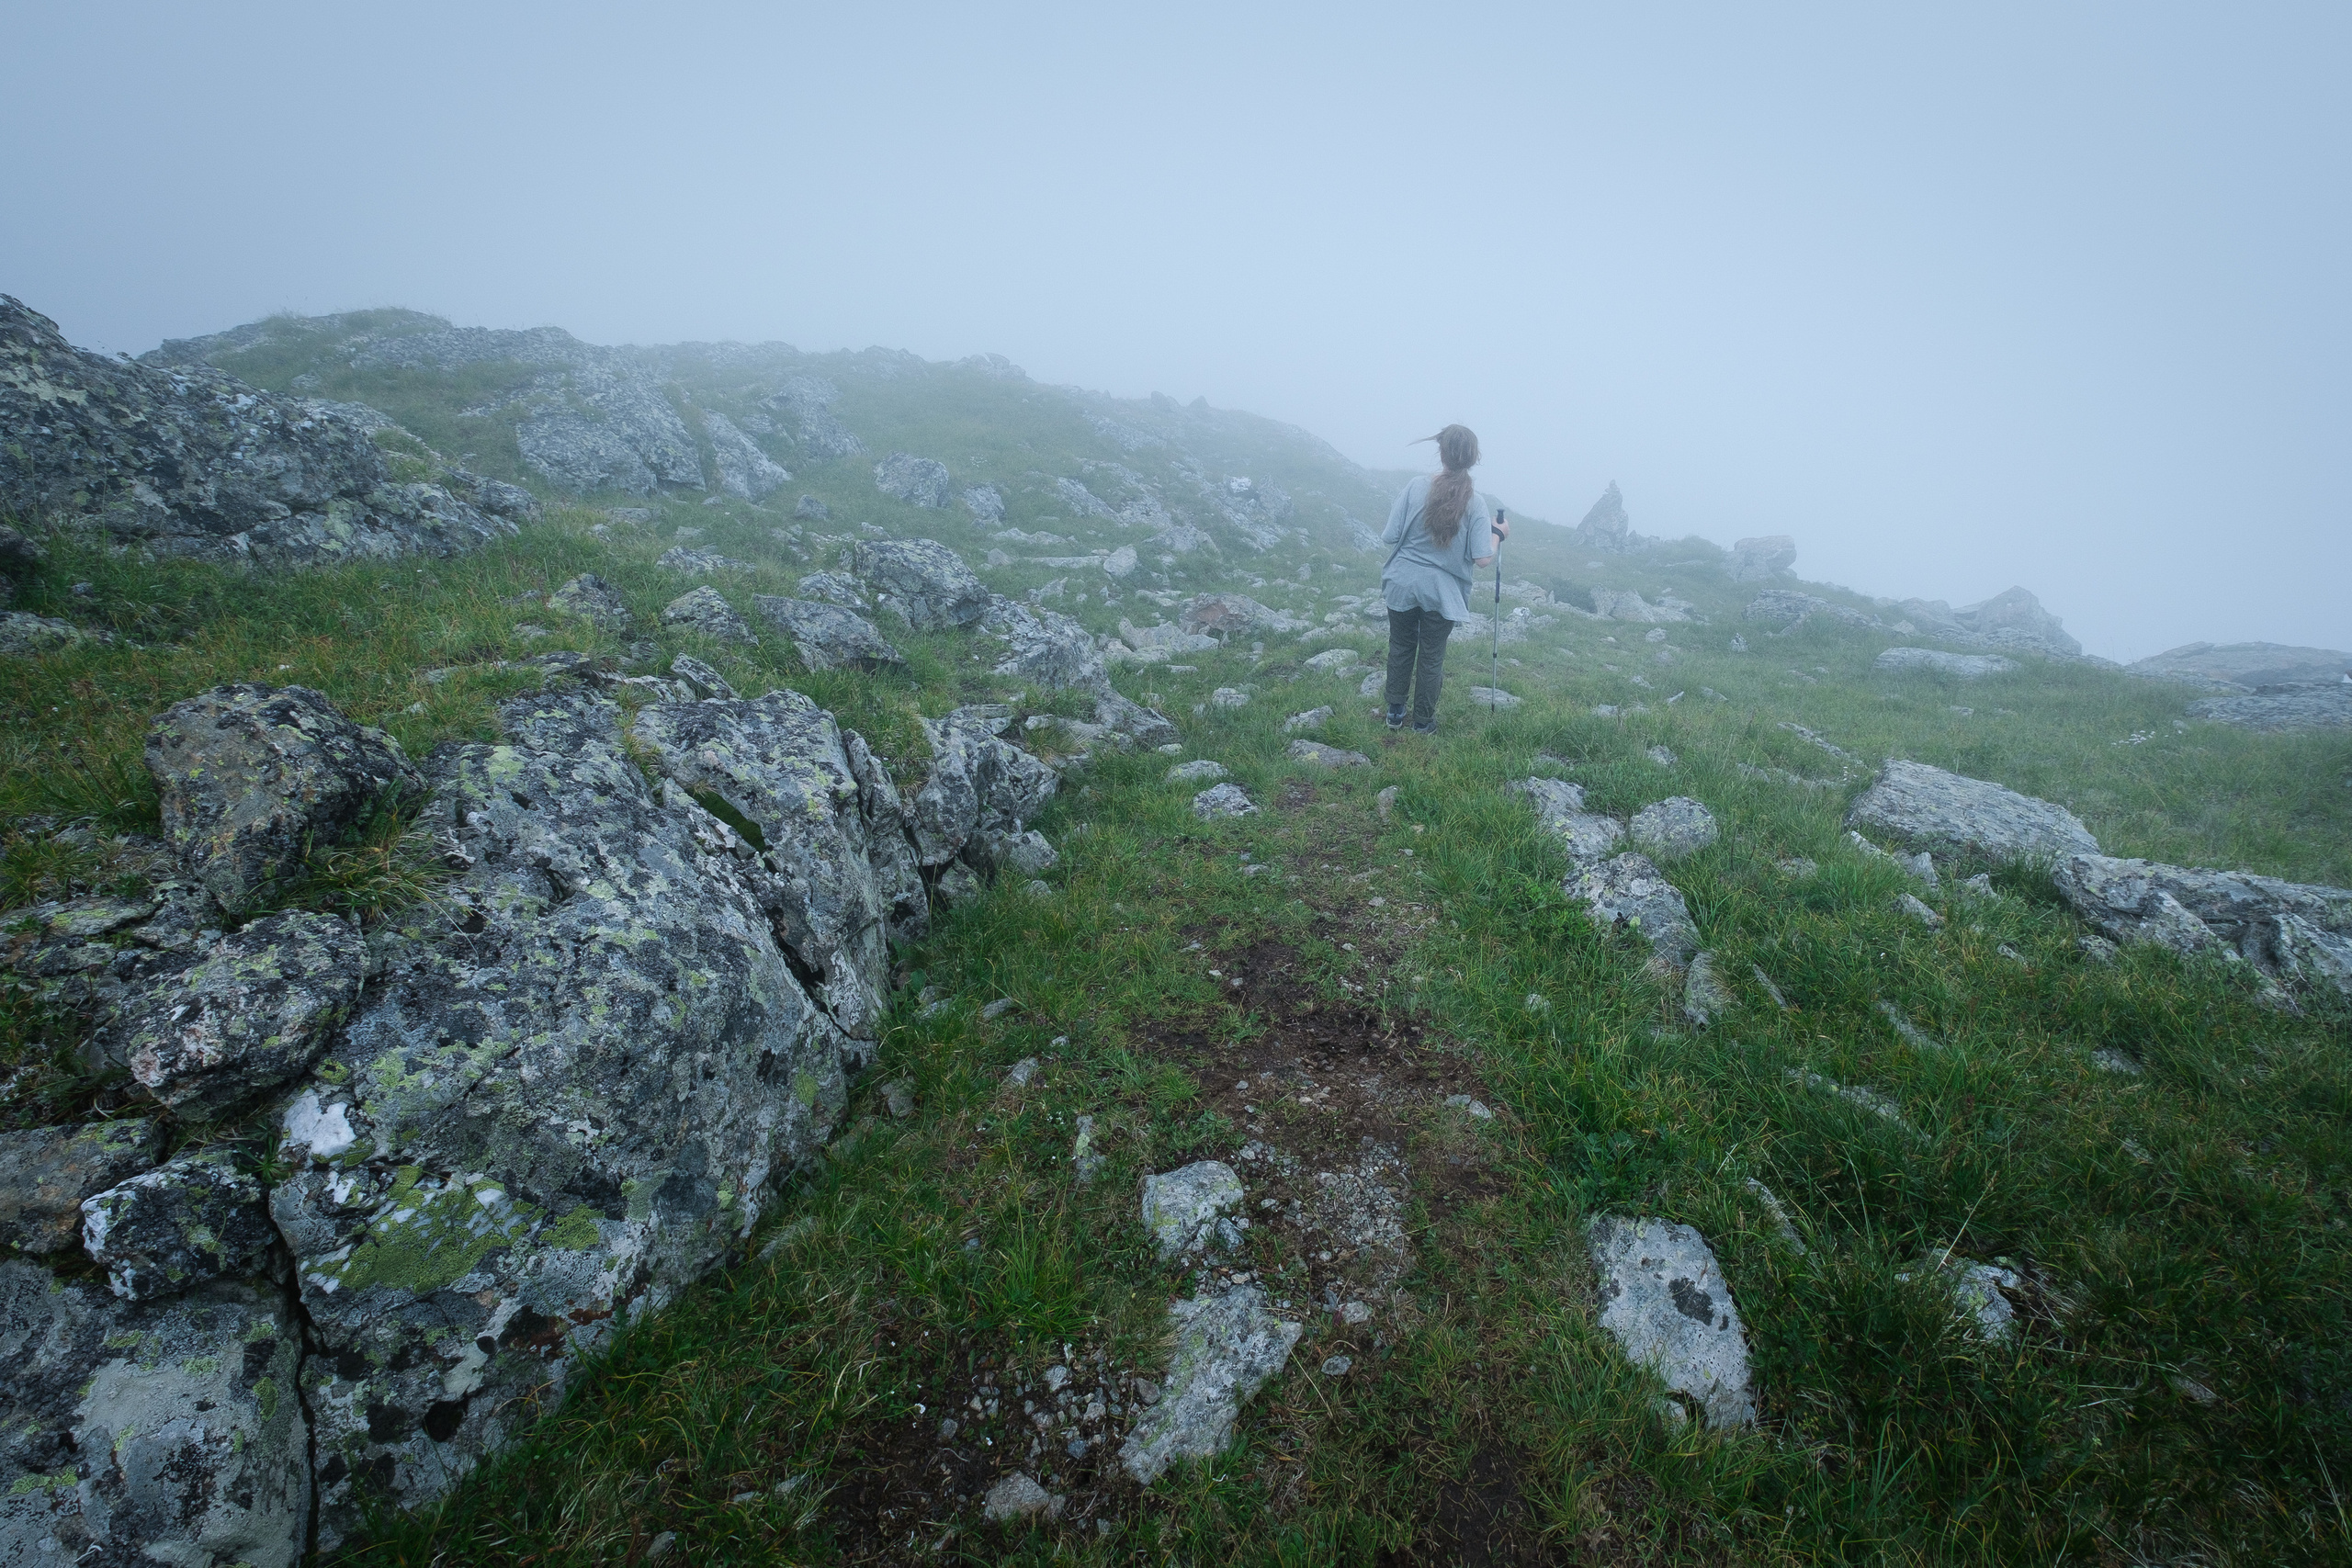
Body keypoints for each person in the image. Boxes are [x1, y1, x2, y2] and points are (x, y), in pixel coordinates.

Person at [1378, 423, 1509, 731]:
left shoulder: (1414, 487)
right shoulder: (1475, 504)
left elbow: (1390, 536)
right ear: (1473, 458)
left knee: (1401, 644)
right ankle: (1423, 722)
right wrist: (1498, 534)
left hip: (1402, 583)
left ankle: (1395, 712)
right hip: (1442, 592)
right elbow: (1482, 559)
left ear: (1441, 451)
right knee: (1432, 656)